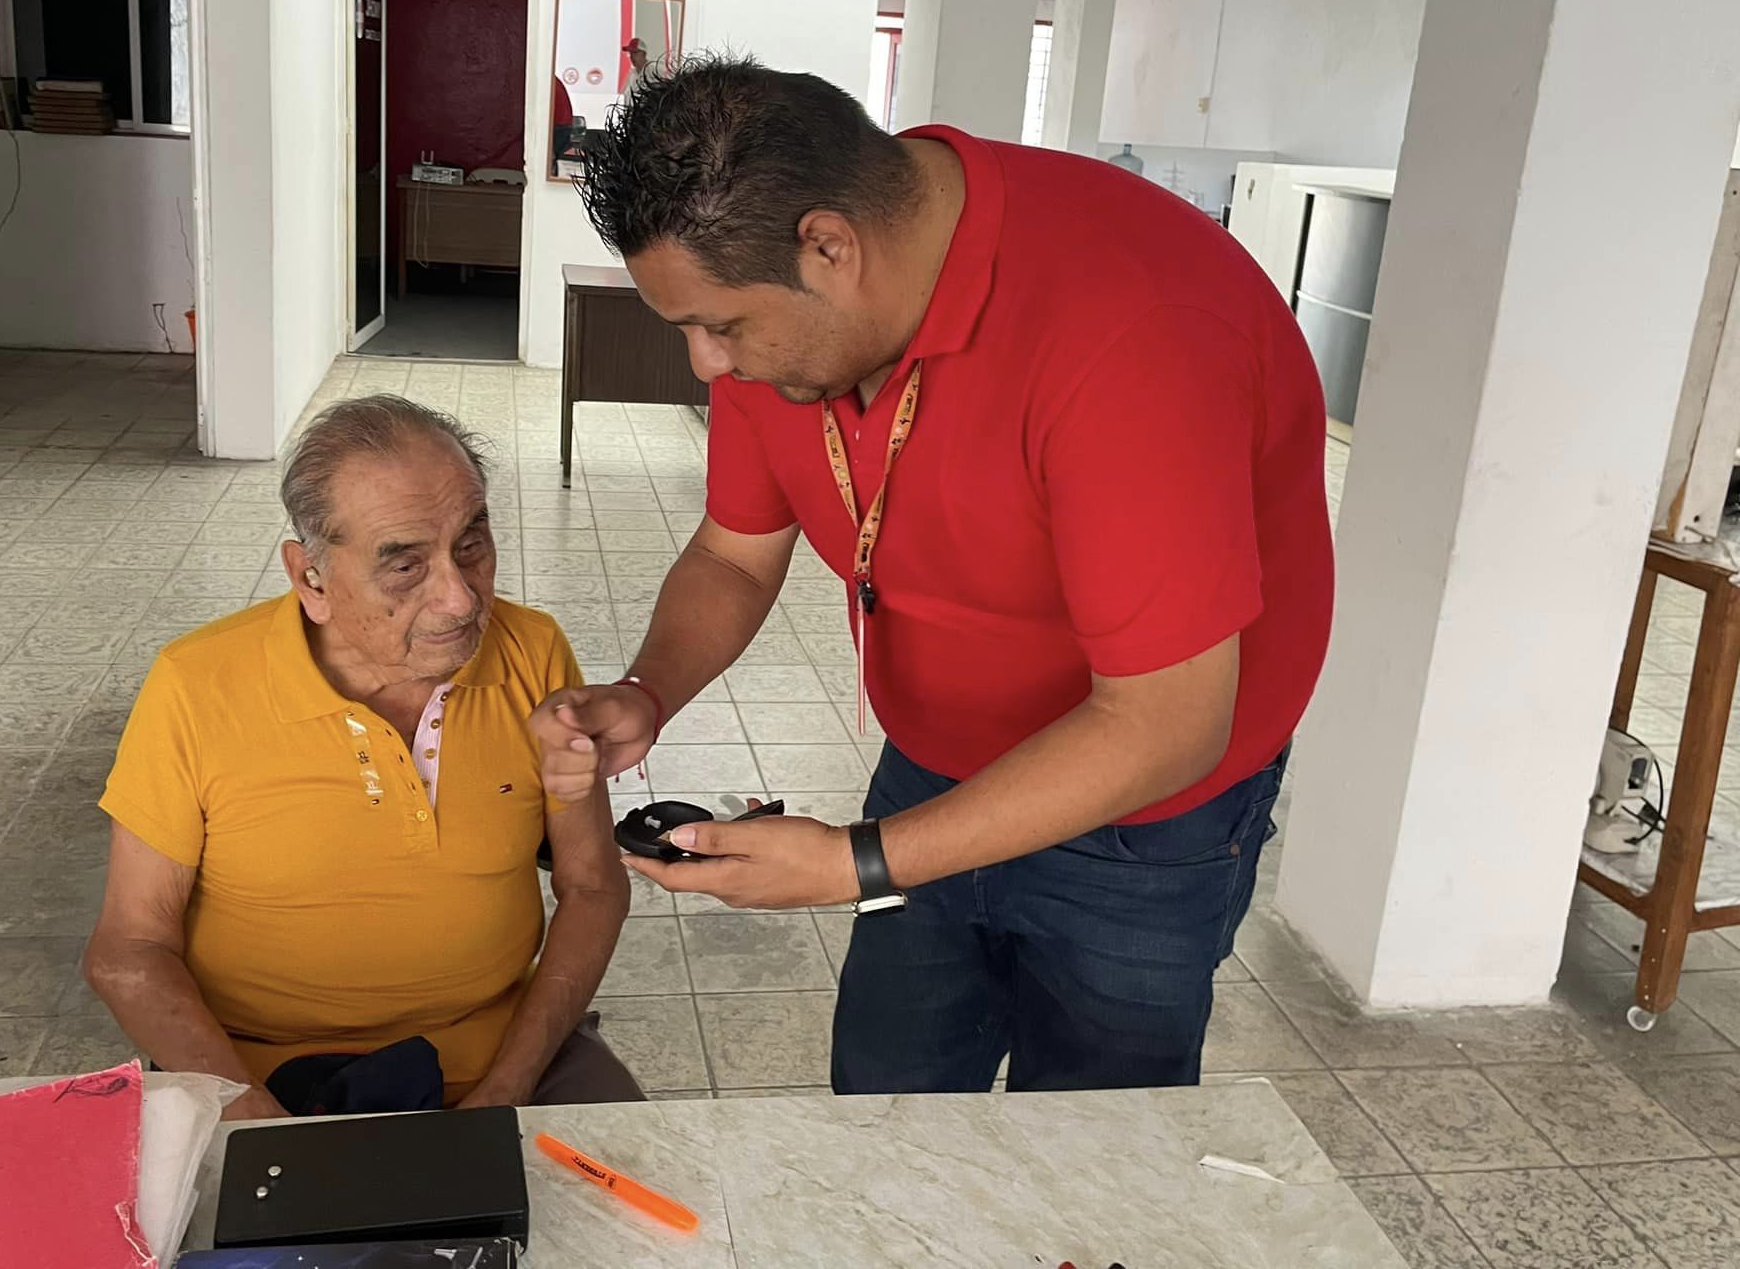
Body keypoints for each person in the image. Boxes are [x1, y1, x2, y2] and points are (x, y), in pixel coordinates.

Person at [531, 56, 1333, 1095]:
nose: (704, 366)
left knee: (1092, 1144)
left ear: (827, 247)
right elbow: (734, 550)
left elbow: (1164, 724)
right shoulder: (787, 330)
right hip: (934, 760)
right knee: (886, 1097)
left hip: (1146, 818)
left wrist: (850, 865)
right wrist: (648, 692)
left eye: (718, 324)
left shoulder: (1132, 329)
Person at [85, 396, 640, 1119]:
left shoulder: (532, 653)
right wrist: (253, 1119)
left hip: (501, 1051)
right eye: (405, 565)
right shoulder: (197, 685)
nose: (460, 598)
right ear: (310, 579)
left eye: (471, 544)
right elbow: (128, 948)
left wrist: (507, 1088)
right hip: (252, 1070)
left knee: (642, 1208)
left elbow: (594, 886)